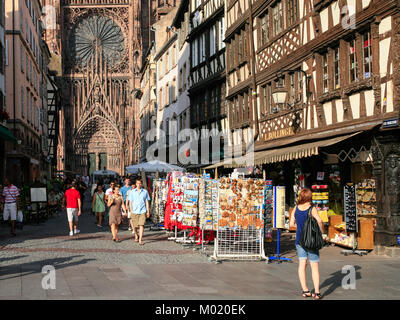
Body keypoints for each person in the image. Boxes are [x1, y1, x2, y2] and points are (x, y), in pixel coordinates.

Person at [289, 188, 325, 300]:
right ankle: (317, 292)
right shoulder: (312, 208)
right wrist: (322, 231)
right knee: (314, 266)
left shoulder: (296, 208)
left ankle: (305, 290)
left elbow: (291, 224)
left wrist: (301, 228)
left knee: (302, 264)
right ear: (309, 197)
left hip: (299, 240)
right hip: (311, 241)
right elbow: (319, 221)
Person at [128, 178, 150, 245]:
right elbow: (130, 202)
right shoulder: (132, 192)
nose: (139, 184)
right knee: (134, 226)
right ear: (135, 184)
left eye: (140, 183)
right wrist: (131, 210)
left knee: (141, 225)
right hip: (134, 211)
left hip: (142, 211)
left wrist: (148, 211)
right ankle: (136, 234)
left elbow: (146, 201)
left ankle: (140, 239)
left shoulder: (145, 192)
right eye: (137, 183)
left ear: (142, 184)